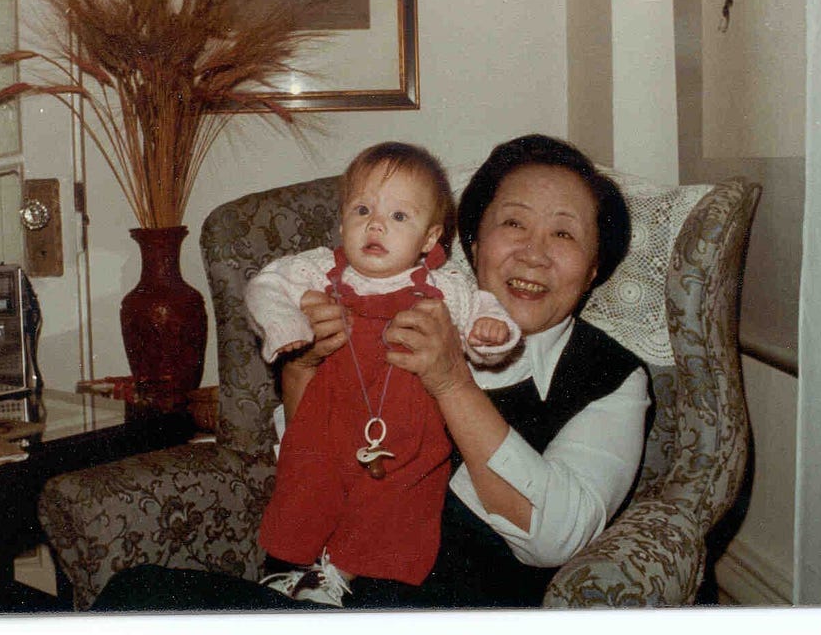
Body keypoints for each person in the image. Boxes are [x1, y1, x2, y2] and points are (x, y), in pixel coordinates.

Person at [91, 134, 651, 611]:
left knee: (138, 601)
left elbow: (556, 536)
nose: (533, 254)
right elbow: (306, 458)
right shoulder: (391, 310)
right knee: (135, 595)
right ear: (472, 243)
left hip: (438, 611)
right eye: (513, 224)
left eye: (564, 234)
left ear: (594, 267)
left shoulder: (612, 377)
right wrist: (304, 363)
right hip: (316, 597)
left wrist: (452, 382)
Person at [244, 142, 521, 606]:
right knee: (305, 484)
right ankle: (286, 570)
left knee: (396, 501)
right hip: (328, 418)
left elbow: (482, 314)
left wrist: (493, 333)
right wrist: (284, 325)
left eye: (398, 217)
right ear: (341, 221)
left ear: (430, 239)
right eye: (362, 209)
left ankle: (337, 576)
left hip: (408, 432)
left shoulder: (445, 283)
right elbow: (265, 285)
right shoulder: (322, 269)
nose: (375, 224)